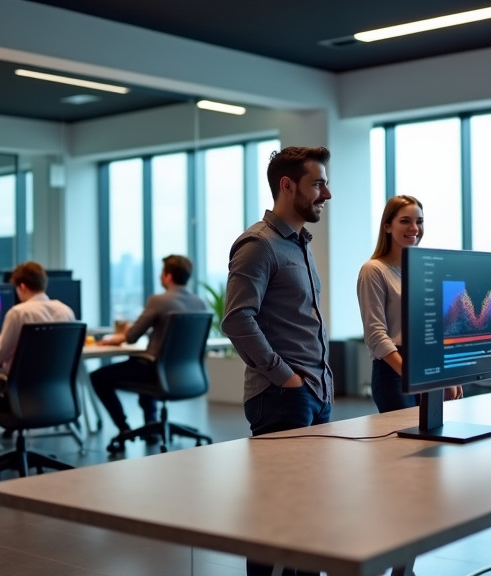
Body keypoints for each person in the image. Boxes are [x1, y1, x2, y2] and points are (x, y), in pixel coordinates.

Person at [221, 146, 334, 576]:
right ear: (287, 186)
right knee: (276, 515)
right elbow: (236, 319)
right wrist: (285, 378)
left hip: (314, 394)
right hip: (283, 396)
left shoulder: (300, 244)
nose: (326, 193)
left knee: (309, 515)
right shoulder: (258, 245)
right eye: (318, 184)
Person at [0, 261, 76, 473]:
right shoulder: (66, 311)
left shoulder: (19, 313)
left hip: (19, 399)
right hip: (56, 399)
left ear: (23, 286)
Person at [357, 195, 462, 412]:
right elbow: (376, 335)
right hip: (393, 370)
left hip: (426, 363)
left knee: (432, 437)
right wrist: (411, 374)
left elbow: (436, 329)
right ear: (387, 227)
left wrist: (447, 375)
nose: (414, 228)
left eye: (419, 221)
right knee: (402, 441)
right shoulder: (374, 270)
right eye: (405, 221)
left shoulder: (424, 271)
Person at [91, 254, 207, 445]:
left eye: (162, 273)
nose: (161, 277)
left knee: (99, 377)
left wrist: (115, 338)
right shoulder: (200, 303)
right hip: (187, 373)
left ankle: (124, 428)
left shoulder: (159, 300)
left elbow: (132, 336)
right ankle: (151, 426)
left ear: (168, 276)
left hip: (156, 371)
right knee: (145, 363)